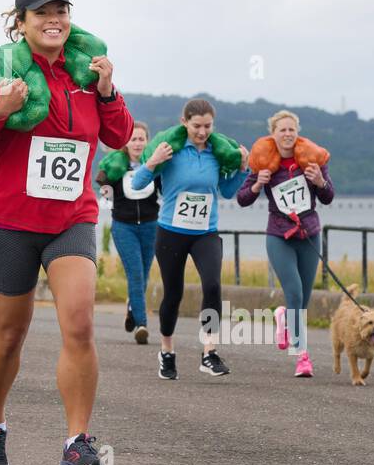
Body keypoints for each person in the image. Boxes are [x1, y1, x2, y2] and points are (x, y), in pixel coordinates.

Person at [0, 0, 133, 465]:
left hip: (71, 219)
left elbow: (119, 137)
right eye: (41, 12)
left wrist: (107, 91)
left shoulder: (85, 72)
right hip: (11, 221)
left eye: (61, 10)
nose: (53, 19)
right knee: (9, 334)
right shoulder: (3, 74)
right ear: (21, 22)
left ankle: (77, 442)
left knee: (79, 324)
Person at [130, 99, 249, 381]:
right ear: (184, 122)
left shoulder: (215, 153)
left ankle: (209, 352)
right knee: (174, 293)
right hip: (171, 231)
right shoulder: (171, 150)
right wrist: (152, 162)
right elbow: (137, 184)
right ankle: (167, 351)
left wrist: (243, 169)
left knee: (212, 284)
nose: (202, 131)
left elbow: (228, 192)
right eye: (197, 126)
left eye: (208, 126)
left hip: (206, 232)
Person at [236, 111, 334, 378]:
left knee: (303, 299)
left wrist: (319, 182)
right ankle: (301, 357)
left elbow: (328, 196)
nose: (288, 134)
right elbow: (242, 198)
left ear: (297, 132)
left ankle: (283, 317)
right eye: (282, 130)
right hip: (279, 236)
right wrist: (257, 185)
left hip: (309, 234)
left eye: (292, 130)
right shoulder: (264, 161)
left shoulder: (311, 160)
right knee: (294, 292)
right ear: (273, 133)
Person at [95, 122, 160, 344]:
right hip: (124, 227)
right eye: (133, 139)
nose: (138, 143)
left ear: (147, 142)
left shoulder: (153, 166)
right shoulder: (116, 166)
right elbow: (105, 189)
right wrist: (105, 189)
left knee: (144, 273)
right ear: (125, 143)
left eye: (142, 139)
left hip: (151, 226)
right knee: (135, 273)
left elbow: (165, 189)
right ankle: (142, 324)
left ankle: (132, 308)